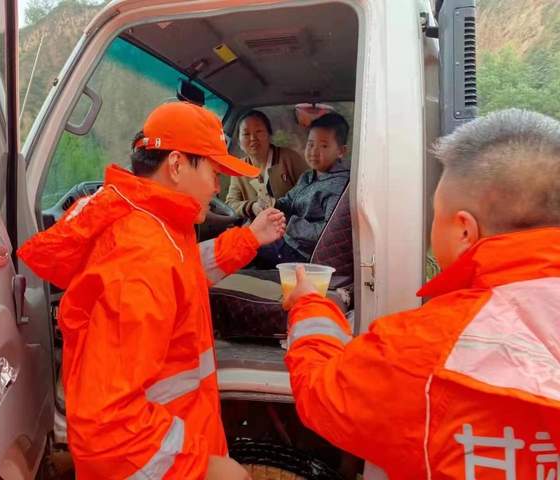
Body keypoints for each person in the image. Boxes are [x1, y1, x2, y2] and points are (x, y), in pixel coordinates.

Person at [283, 109, 560, 479]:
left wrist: (308, 304)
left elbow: (323, 394)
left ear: (464, 231)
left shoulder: (423, 348)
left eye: (435, 214)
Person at [18, 102, 287, 480]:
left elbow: (186, 270)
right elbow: (106, 426)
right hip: (164, 463)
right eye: (213, 172)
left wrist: (249, 238)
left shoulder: (157, 225)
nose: (217, 187)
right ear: (176, 165)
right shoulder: (140, 258)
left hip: (179, 440)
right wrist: (202, 468)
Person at [255, 112, 350, 267]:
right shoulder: (308, 176)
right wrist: (274, 205)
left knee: (249, 249)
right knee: (245, 240)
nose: (314, 151)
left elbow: (327, 233)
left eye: (324, 146)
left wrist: (288, 224)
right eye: (310, 144)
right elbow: (289, 201)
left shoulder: (339, 186)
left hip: (302, 254)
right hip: (287, 240)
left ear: (341, 151)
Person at [226, 110, 308, 218]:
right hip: (256, 226)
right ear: (239, 142)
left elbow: (310, 191)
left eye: (259, 131)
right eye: (246, 134)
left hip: (292, 224)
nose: (253, 138)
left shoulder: (289, 158)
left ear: (269, 135)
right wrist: (252, 207)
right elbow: (230, 204)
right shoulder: (239, 168)